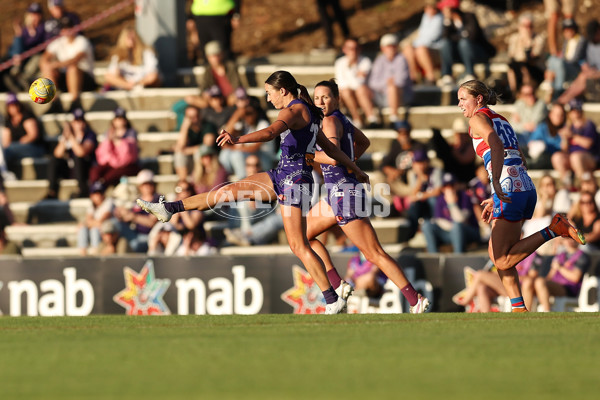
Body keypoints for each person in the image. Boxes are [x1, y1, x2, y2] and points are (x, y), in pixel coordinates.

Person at [137, 70, 370, 314]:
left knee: (299, 246)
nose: (268, 99)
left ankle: (332, 299)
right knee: (229, 190)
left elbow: (270, 133)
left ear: (282, 90)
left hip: (295, 180)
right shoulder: (309, 113)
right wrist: (357, 169)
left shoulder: (292, 110)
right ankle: (169, 208)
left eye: (269, 93)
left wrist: (237, 139)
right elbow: (333, 151)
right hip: (283, 175)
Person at [457, 79, 586, 312]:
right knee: (501, 255)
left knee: (501, 260)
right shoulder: (501, 119)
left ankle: (555, 228)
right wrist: (496, 193)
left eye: (462, 99)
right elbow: (520, 157)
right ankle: (519, 309)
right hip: (523, 185)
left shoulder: (478, 118)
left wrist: (496, 183)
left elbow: (495, 145)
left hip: (508, 186)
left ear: (478, 99)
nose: (459, 104)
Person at [304, 79, 430, 313]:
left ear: (337, 99)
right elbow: (364, 142)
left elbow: (331, 157)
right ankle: (337, 284)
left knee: (374, 253)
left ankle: (415, 300)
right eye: (317, 98)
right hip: (338, 192)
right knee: (303, 236)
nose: (320, 102)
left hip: (344, 193)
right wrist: (349, 162)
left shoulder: (330, 121)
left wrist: (307, 156)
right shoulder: (342, 120)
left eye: (326, 97)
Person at [39, 16, 96, 109]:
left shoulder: (82, 41)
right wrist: (46, 66)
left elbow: (75, 59)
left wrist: (56, 65)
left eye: (70, 27)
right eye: (64, 28)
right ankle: (54, 102)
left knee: (72, 68)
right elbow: (44, 58)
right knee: (48, 70)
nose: (68, 30)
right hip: (66, 79)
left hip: (85, 80)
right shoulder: (58, 42)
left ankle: (75, 101)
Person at [521, 236, 590, 312]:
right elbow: (551, 276)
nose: (569, 241)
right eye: (567, 238)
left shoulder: (582, 256)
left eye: (572, 238)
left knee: (539, 282)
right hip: (555, 284)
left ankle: (547, 311)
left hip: (568, 288)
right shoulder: (560, 255)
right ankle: (525, 312)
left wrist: (560, 268)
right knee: (528, 282)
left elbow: (575, 278)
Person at [437, 0, 496, 87]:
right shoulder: (448, 23)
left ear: (452, 9)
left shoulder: (469, 17)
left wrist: (456, 37)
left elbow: (472, 36)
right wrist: (447, 22)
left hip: (477, 52)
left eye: (445, 9)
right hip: (460, 54)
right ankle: (447, 75)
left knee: (464, 43)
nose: (443, 11)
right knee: (445, 43)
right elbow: (445, 37)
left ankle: (470, 73)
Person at [421, 172, 481, 253]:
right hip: (450, 232)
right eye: (446, 186)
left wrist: (452, 204)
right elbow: (438, 221)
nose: (449, 189)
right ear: (442, 188)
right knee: (427, 225)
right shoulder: (440, 199)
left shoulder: (464, 196)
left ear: (456, 185)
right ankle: (434, 256)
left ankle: (458, 257)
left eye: (452, 185)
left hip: (469, 232)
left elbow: (461, 220)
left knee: (457, 227)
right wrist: (451, 227)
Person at [46, 107, 97, 199]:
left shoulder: (90, 134)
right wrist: (65, 137)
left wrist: (71, 138)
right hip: (71, 169)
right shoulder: (67, 135)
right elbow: (57, 154)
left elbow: (81, 152)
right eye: (77, 121)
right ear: (73, 122)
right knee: (54, 161)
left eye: (81, 121)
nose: (79, 124)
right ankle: (52, 191)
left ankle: (82, 190)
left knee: (78, 158)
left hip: (85, 169)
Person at [378, 120, 426, 215]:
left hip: (413, 184)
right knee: (378, 176)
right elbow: (383, 165)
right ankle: (391, 206)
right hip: (398, 183)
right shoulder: (395, 146)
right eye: (400, 133)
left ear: (409, 133)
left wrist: (400, 172)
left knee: (412, 173)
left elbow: (421, 166)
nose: (403, 136)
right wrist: (391, 171)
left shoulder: (418, 147)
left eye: (405, 132)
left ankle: (410, 206)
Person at [551, 99, 600, 188]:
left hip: (590, 157)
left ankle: (585, 185)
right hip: (573, 159)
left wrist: (572, 136)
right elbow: (564, 149)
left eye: (577, 109)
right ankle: (568, 185)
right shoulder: (568, 126)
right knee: (557, 157)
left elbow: (588, 144)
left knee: (576, 157)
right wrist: (564, 139)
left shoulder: (588, 124)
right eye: (573, 110)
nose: (575, 112)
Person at [368, 33, 413, 126]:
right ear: (383, 48)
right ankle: (372, 118)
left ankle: (394, 118)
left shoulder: (402, 59)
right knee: (363, 89)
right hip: (383, 94)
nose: (391, 48)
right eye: (389, 46)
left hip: (401, 95)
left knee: (392, 87)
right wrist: (386, 83)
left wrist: (387, 84)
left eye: (393, 45)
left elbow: (401, 81)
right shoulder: (379, 60)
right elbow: (372, 82)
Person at [2, 3, 48, 93]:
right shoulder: (24, 30)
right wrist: (18, 34)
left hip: (36, 56)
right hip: (23, 58)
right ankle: (15, 78)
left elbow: (40, 45)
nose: (34, 17)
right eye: (32, 14)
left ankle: (23, 78)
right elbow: (18, 46)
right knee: (10, 60)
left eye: (37, 14)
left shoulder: (43, 28)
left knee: (36, 60)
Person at [334, 37, 378, 128]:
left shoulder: (366, 61)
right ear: (344, 49)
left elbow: (359, 83)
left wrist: (351, 67)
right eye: (350, 48)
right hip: (349, 95)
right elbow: (342, 83)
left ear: (359, 49)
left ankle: (370, 117)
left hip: (365, 94)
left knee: (360, 90)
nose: (353, 51)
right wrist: (354, 71)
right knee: (346, 91)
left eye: (355, 48)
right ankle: (358, 118)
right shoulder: (339, 63)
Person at [89, 107, 139, 188]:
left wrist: (117, 140)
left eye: (121, 118)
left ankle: (101, 188)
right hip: (112, 163)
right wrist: (108, 141)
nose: (119, 121)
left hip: (127, 166)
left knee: (111, 175)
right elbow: (102, 154)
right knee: (95, 171)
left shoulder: (131, 133)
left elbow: (127, 156)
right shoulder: (108, 133)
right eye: (117, 118)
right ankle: (95, 189)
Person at [103, 24, 161, 91]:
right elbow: (111, 73)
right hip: (126, 83)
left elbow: (153, 73)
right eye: (128, 37)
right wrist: (126, 84)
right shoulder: (119, 54)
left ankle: (134, 86)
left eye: (133, 37)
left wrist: (138, 82)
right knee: (109, 76)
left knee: (153, 77)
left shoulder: (146, 52)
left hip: (143, 82)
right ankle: (129, 86)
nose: (131, 40)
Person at [115, 169, 160, 253]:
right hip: (135, 233)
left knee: (134, 244)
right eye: (144, 185)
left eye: (149, 184)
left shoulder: (158, 199)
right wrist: (122, 214)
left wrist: (133, 216)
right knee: (115, 223)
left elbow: (151, 222)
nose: (147, 187)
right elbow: (128, 217)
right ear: (140, 186)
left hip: (151, 235)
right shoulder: (137, 200)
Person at [1, 92, 46, 176]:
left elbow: (33, 135)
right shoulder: (8, 122)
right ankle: (5, 174)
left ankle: (5, 174)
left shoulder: (27, 116)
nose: (13, 108)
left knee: (9, 150)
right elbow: (6, 142)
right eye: (11, 105)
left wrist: (19, 143)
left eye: (15, 105)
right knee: (5, 152)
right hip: (16, 150)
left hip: (35, 148)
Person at [556, 20, 600, 105]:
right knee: (582, 75)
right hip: (592, 71)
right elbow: (584, 60)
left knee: (583, 77)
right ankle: (562, 98)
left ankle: (563, 100)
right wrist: (585, 66)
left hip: (596, 73)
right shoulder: (590, 45)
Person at [543, 18, 587, 100]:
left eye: (570, 29)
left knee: (558, 63)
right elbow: (563, 55)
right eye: (566, 30)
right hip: (565, 66)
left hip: (575, 68)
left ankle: (557, 89)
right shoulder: (567, 41)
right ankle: (550, 87)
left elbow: (575, 58)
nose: (568, 32)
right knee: (552, 59)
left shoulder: (581, 40)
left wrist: (561, 61)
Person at [401, 0, 443, 85]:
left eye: (432, 7)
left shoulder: (440, 18)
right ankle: (412, 77)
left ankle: (430, 77)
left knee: (421, 49)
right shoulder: (425, 17)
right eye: (427, 7)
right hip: (423, 46)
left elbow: (432, 37)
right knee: (408, 49)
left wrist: (416, 45)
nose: (429, 10)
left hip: (435, 49)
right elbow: (421, 34)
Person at [505, 13, 546, 96]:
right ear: (520, 27)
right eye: (525, 26)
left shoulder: (539, 39)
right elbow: (511, 55)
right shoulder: (514, 38)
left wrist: (528, 43)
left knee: (524, 68)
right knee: (512, 68)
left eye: (530, 26)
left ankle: (525, 92)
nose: (527, 29)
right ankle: (515, 93)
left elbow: (532, 57)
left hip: (535, 69)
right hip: (518, 68)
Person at [173, 105, 217, 180]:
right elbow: (180, 146)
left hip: (207, 157)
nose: (194, 119)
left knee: (199, 152)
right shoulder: (187, 128)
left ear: (200, 115)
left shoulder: (208, 126)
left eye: (195, 115)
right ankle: (183, 183)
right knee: (179, 155)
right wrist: (185, 127)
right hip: (192, 158)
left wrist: (187, 151)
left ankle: (198, 180)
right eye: (190, 117)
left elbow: (207, 146)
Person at [430, 117, 476, 184]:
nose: (460, 136)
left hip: (466, 181)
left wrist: (450, 150)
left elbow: (463, 160)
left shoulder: (471, 147)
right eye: (458, 134)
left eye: (463, 134)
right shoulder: (453, 147)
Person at [526, 102, 567, 170]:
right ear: (550, 115)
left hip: (553, 159)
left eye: (561, 115)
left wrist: (565, 138)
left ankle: (530, 165)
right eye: (556, 114)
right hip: (540, 155)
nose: (558, 117)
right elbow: (531, 143)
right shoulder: (543, 127)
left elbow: (564, 150)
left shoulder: (566, 130)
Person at [77, 181, 113, 256]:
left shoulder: (109, 202)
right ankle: (82, 253)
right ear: (91, 196)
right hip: (99, 231)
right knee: (83, 229)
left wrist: (87, 223)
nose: (98, 195)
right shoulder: (92, 207)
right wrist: (87, 224)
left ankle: (96, 252)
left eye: (100, 192)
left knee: (94, 229)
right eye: (96, 193)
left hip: (108, 233)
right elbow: (89, 219)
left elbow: (101, 221)